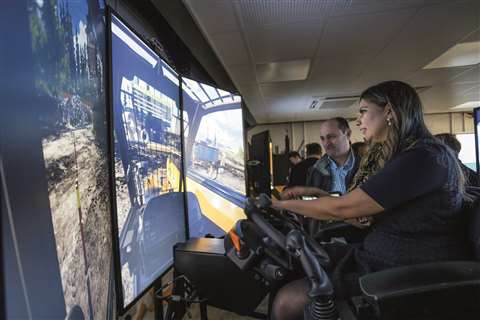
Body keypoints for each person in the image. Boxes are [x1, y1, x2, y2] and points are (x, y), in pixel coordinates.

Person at [270, 81, 471, 320]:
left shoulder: (423, 157)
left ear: (388, 112)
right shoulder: (410, 154)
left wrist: (280, 205)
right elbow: (359, 209)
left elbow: (343, 207)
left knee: (287, 302)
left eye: (363, 111)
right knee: (291, 265)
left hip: (408, 268)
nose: (358, 121)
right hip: (380, 254)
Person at [303, 118, 361, 195]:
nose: (326, 143)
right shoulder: (315, 171)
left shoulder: (368, 165)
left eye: (331, 137)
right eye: (323, 138)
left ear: (348, 134)